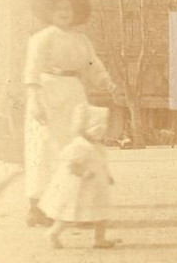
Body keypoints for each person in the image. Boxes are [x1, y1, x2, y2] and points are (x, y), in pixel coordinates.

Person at [23, 0, 122, 228]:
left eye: (67, 8)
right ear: (49, 13)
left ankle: (71, 208)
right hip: (48, 92)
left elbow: (94, 65)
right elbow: (32, 70)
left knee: (74, 148)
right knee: (44, 147)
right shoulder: (42, 38)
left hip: (74, 93)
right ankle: (36, 207)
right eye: (58, 9)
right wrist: (35, 100)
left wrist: (108, 83)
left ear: (75, 12)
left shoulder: (81, 40)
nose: (63, 13)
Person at [39, 103, 120, 249]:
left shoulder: (97, 145)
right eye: (100, 127)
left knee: (102, 214)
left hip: (97, 188)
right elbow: (70, 165)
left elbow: (102, 163)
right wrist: (82, 173)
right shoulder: (79, 145)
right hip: (81, 189)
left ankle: (99, 239)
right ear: (90, 128)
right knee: (69, 216)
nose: (103, 131)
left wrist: (108, 175)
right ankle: (53, 233)